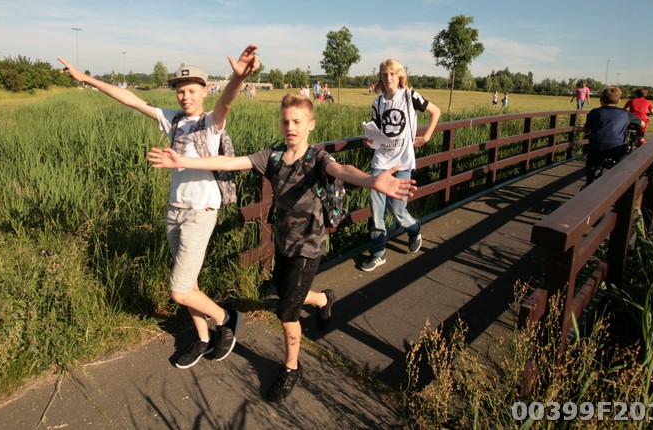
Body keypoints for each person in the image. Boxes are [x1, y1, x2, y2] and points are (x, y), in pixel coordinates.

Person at [147, 94, 415, 402]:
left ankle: (291, 367)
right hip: (283, 242)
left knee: (287, 312)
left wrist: (372, 181)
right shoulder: (272, 158)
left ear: (311, 125)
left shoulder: (316, 159)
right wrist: (182, 161)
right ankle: (323, 299)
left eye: (297, 121)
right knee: (288, 292)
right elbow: (229, 162)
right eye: (286, 121)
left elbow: (342, 170)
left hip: (308, 246)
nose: (291, 127)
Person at [58, 44, 260, 369]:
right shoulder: (174, 121)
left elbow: (227, 102)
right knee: (189, 284)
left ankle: (226, 318)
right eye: (180, 91)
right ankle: (203, 338)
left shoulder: (211, 123)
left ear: (204, 91)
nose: (185, 97)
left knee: (179, 291)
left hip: (200, 212)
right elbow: (131, 100)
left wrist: (237, 79)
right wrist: (86, 78)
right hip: (174, 210)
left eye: (191, 91)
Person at [361, 58, 441, 271]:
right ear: (380, 77)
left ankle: (414, 229)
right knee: (377, 210)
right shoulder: (377, 103)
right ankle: (378, 252)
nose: (388, 78)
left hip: (403, 162)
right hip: (381, 161)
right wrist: (369, 140)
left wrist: (426, 137)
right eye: (385, 74)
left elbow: (436, 112)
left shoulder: (409, 96)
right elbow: (378, 132)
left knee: (397, 210)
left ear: (399, 76)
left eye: (392, 74)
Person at [583, 86, 642, 185]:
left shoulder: (595, 112)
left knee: (591, 163)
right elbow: (641, 124)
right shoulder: (625, 114)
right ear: (619, 101)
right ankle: (619, 185)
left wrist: (584, 129)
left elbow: (586, 128)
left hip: (597, 147)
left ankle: (589, 183)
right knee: (622, 165)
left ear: (601, 100)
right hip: (617, 147)